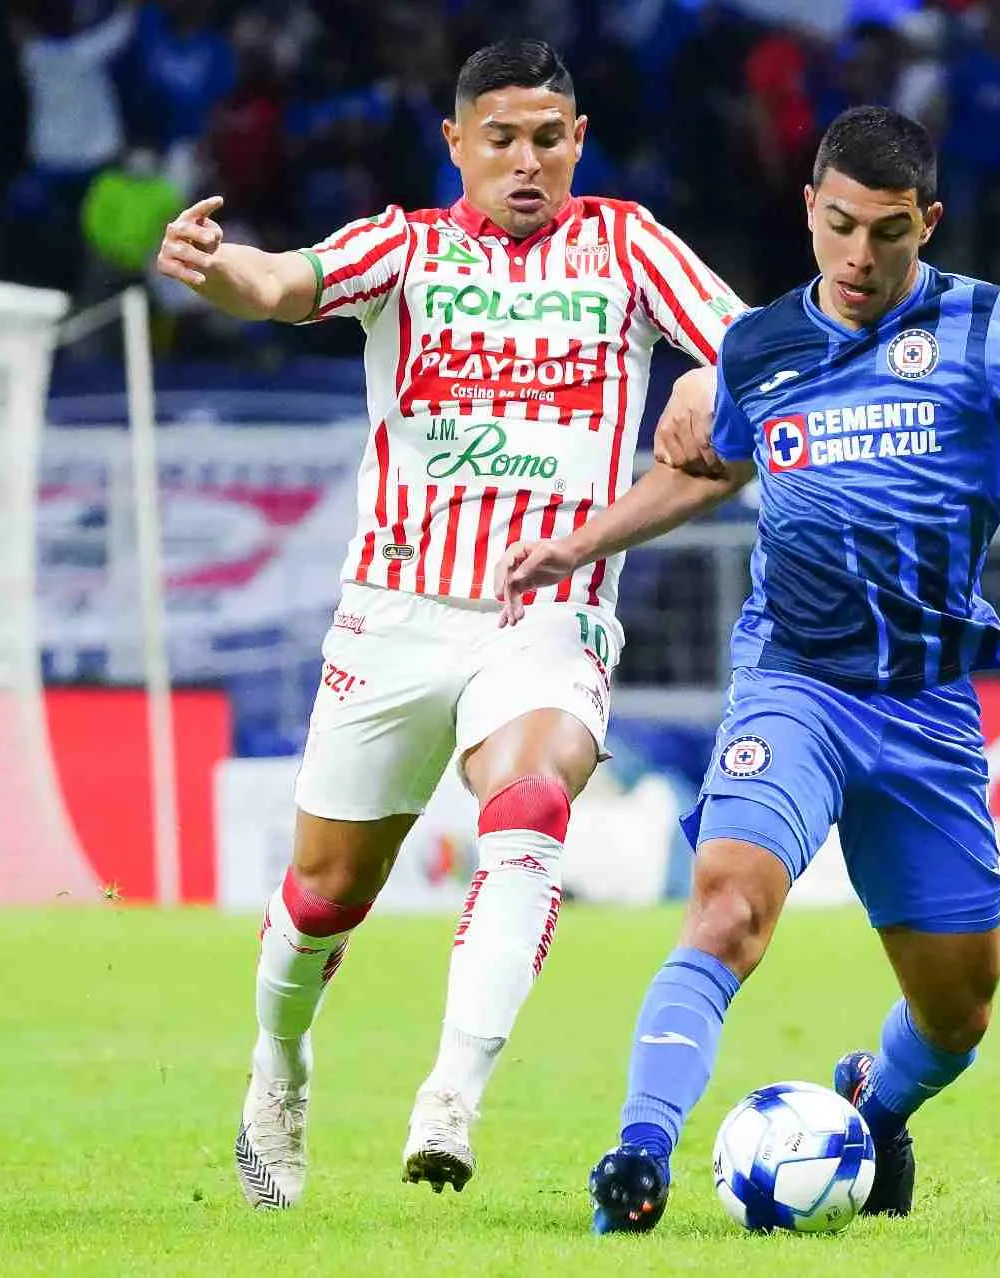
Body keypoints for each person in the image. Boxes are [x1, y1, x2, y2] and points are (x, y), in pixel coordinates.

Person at [496, 106, 1000, 1232]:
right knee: (729, 908)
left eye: (887, 233)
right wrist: (583, 540)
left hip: (928, 708)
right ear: (808, 207)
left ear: (927, 223)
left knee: (959, 1015)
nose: (856, 257)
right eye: (837, 225)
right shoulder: (759, 346)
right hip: (795, 681)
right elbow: (711, 469)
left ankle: (873, 1103)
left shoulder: (985, 327)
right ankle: (638, 1160)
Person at [155, 38, 743, 1210]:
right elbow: (281, 286)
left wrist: (706, 376)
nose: (525, 163)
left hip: (550, 609)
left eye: (547, 139)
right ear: (457, 144)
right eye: (500, 140)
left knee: (530, 808)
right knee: (324, 894)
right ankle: (279, 1062)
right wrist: (215, 269)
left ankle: (452, 1096)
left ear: (578, 140)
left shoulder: (628, 245)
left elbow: (757, 344)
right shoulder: (405, 247)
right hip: (394, 614)